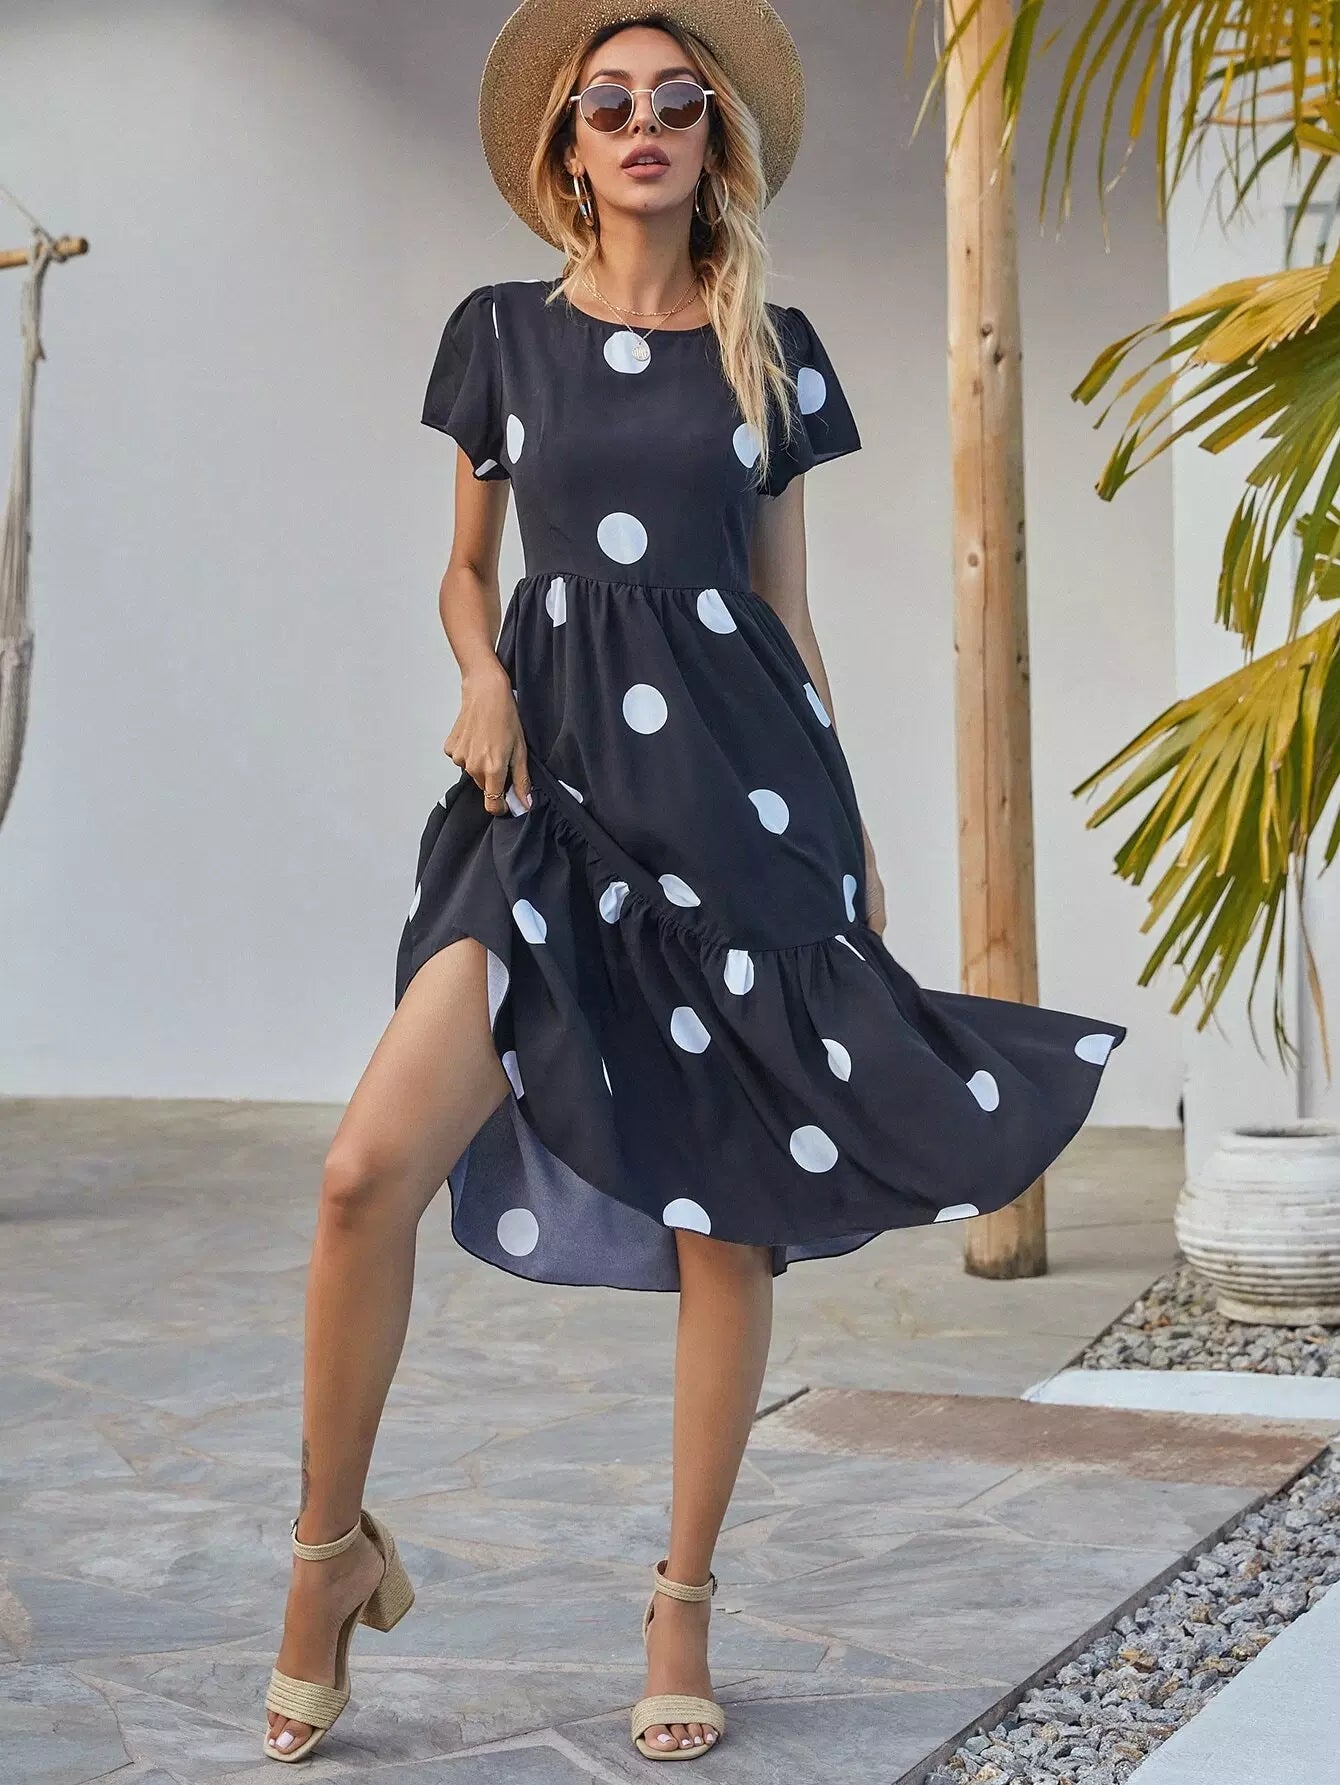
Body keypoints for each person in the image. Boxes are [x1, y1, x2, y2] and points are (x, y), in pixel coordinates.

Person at [263, 0, 1128, 1766]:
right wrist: (480, 673)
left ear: (713, 141)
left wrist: (850, 826)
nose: (643, 123)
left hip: (741, 811)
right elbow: (466, 567)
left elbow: (785, 614)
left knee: (724, 1213)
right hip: (544, 803)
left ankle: (682, 1603)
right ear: (567, 149)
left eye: (675, 101)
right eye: (609, 104)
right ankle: (326, 1555)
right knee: (363, 1174)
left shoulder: (770, 350)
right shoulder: (500, 333)